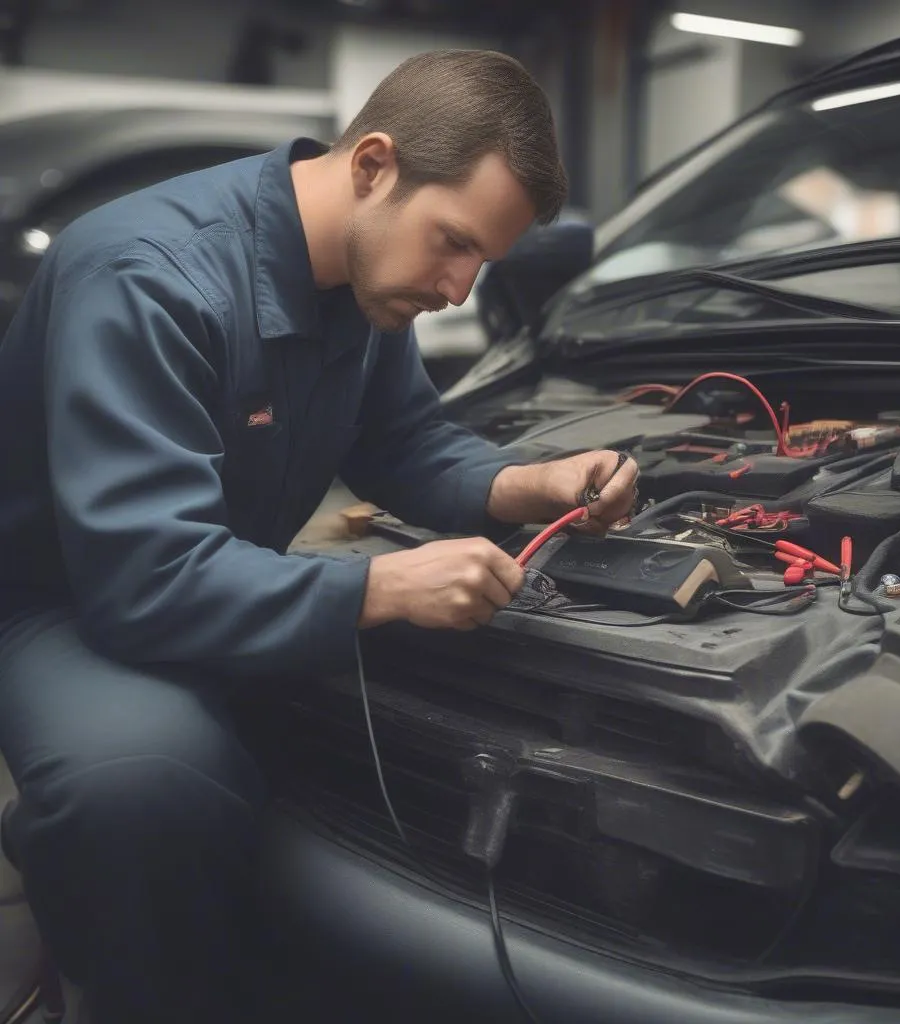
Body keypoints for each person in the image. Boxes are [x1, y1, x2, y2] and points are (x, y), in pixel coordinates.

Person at [0, 49, 638, 1023]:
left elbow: (404, 443)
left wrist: (527, 482)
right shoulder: (147, 278)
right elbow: (144, 582)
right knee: (144, 783)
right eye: (453, 243)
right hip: (69, 607)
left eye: (483, 263)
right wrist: (381, 589)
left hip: (219, 574)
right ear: (373, 164)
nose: (460, 289)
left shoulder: (365, 274)